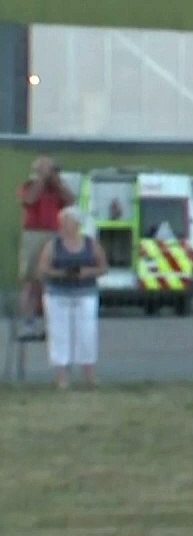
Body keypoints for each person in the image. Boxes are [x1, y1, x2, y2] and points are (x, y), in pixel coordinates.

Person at [37, 206, 106, 390]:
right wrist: (60, 273)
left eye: (68, 222)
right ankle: (62, 377)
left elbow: (103, 267)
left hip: (85, 293)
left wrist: (87, 272)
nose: (64, 226)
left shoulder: (91, 244)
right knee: (59, 334)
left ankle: (89, 375)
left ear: (77, 223)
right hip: (57, 294)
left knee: (87, 333)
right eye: (63, 222)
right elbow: (43, 268)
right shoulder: (53, 245)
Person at [15, 156, 76, 339]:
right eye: (50, 169)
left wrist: (56, 182)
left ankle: (52, 325)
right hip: (34, 234)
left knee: (53, 283)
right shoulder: (29, 185)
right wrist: (41, 178)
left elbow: (71, 200)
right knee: (32, 282)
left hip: (55, 234)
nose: (53, 173)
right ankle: (28, 324)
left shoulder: (57, 189)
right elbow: (29, 200)